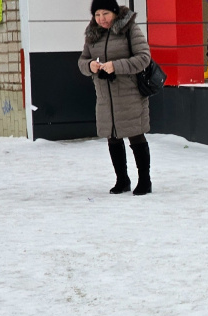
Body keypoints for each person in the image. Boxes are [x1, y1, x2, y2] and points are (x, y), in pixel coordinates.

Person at [78, 0, 153, 195]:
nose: (101, 19)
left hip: (130, 93)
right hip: (105, 95)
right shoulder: (92, 33)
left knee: (136, 135)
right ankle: (122, 180)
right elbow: (82, 61)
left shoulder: (130, 29)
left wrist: (115, 66)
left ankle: (145, 181)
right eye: (97, 15)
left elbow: (144, 57)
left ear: (114, 12)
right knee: (112, 137)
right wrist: (90, 66)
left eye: (105, 14)